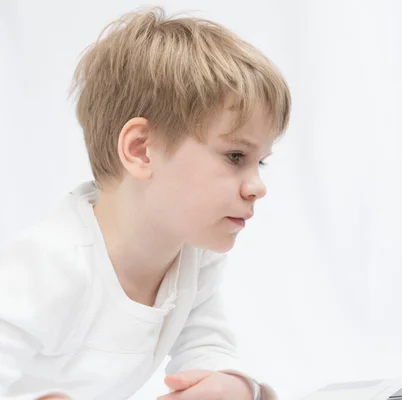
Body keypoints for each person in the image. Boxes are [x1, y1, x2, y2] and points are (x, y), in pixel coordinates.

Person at [0, 6, 290, 400]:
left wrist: (231, 385)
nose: (257, 186)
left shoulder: (194, 254)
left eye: (261, 161)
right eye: (235, 156)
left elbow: (206, 344)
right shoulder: (51, 264)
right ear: (141, 150)